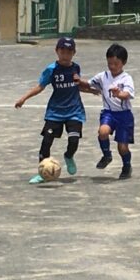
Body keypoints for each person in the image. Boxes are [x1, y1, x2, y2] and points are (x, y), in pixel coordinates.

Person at [14, 37, 91, 184]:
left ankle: (69, 156)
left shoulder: (76, 68)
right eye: (62, 51)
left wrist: (92, 90)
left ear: (74, 53)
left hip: (74, 111)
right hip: (55, 112)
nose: (65, 55)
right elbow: (40, 86)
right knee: (46, 142)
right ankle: (42, 173)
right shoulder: (51, 69)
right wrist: (24, 98)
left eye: (69, 52)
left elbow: (77, 86)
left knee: (74, 140)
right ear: (57, 51)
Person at [89, 43, 136, 180]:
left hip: (124, 115)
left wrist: (118, 94)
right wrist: (78, 82)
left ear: (123, 63)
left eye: (116, 64)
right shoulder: (103, 76)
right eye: (110, 63)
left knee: (122, 148)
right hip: (108, 113)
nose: (112, 66)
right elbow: (89, 83)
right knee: (102, 131)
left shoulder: (126, 78)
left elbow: (127, 94)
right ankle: (107, 155)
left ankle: (126, 165)